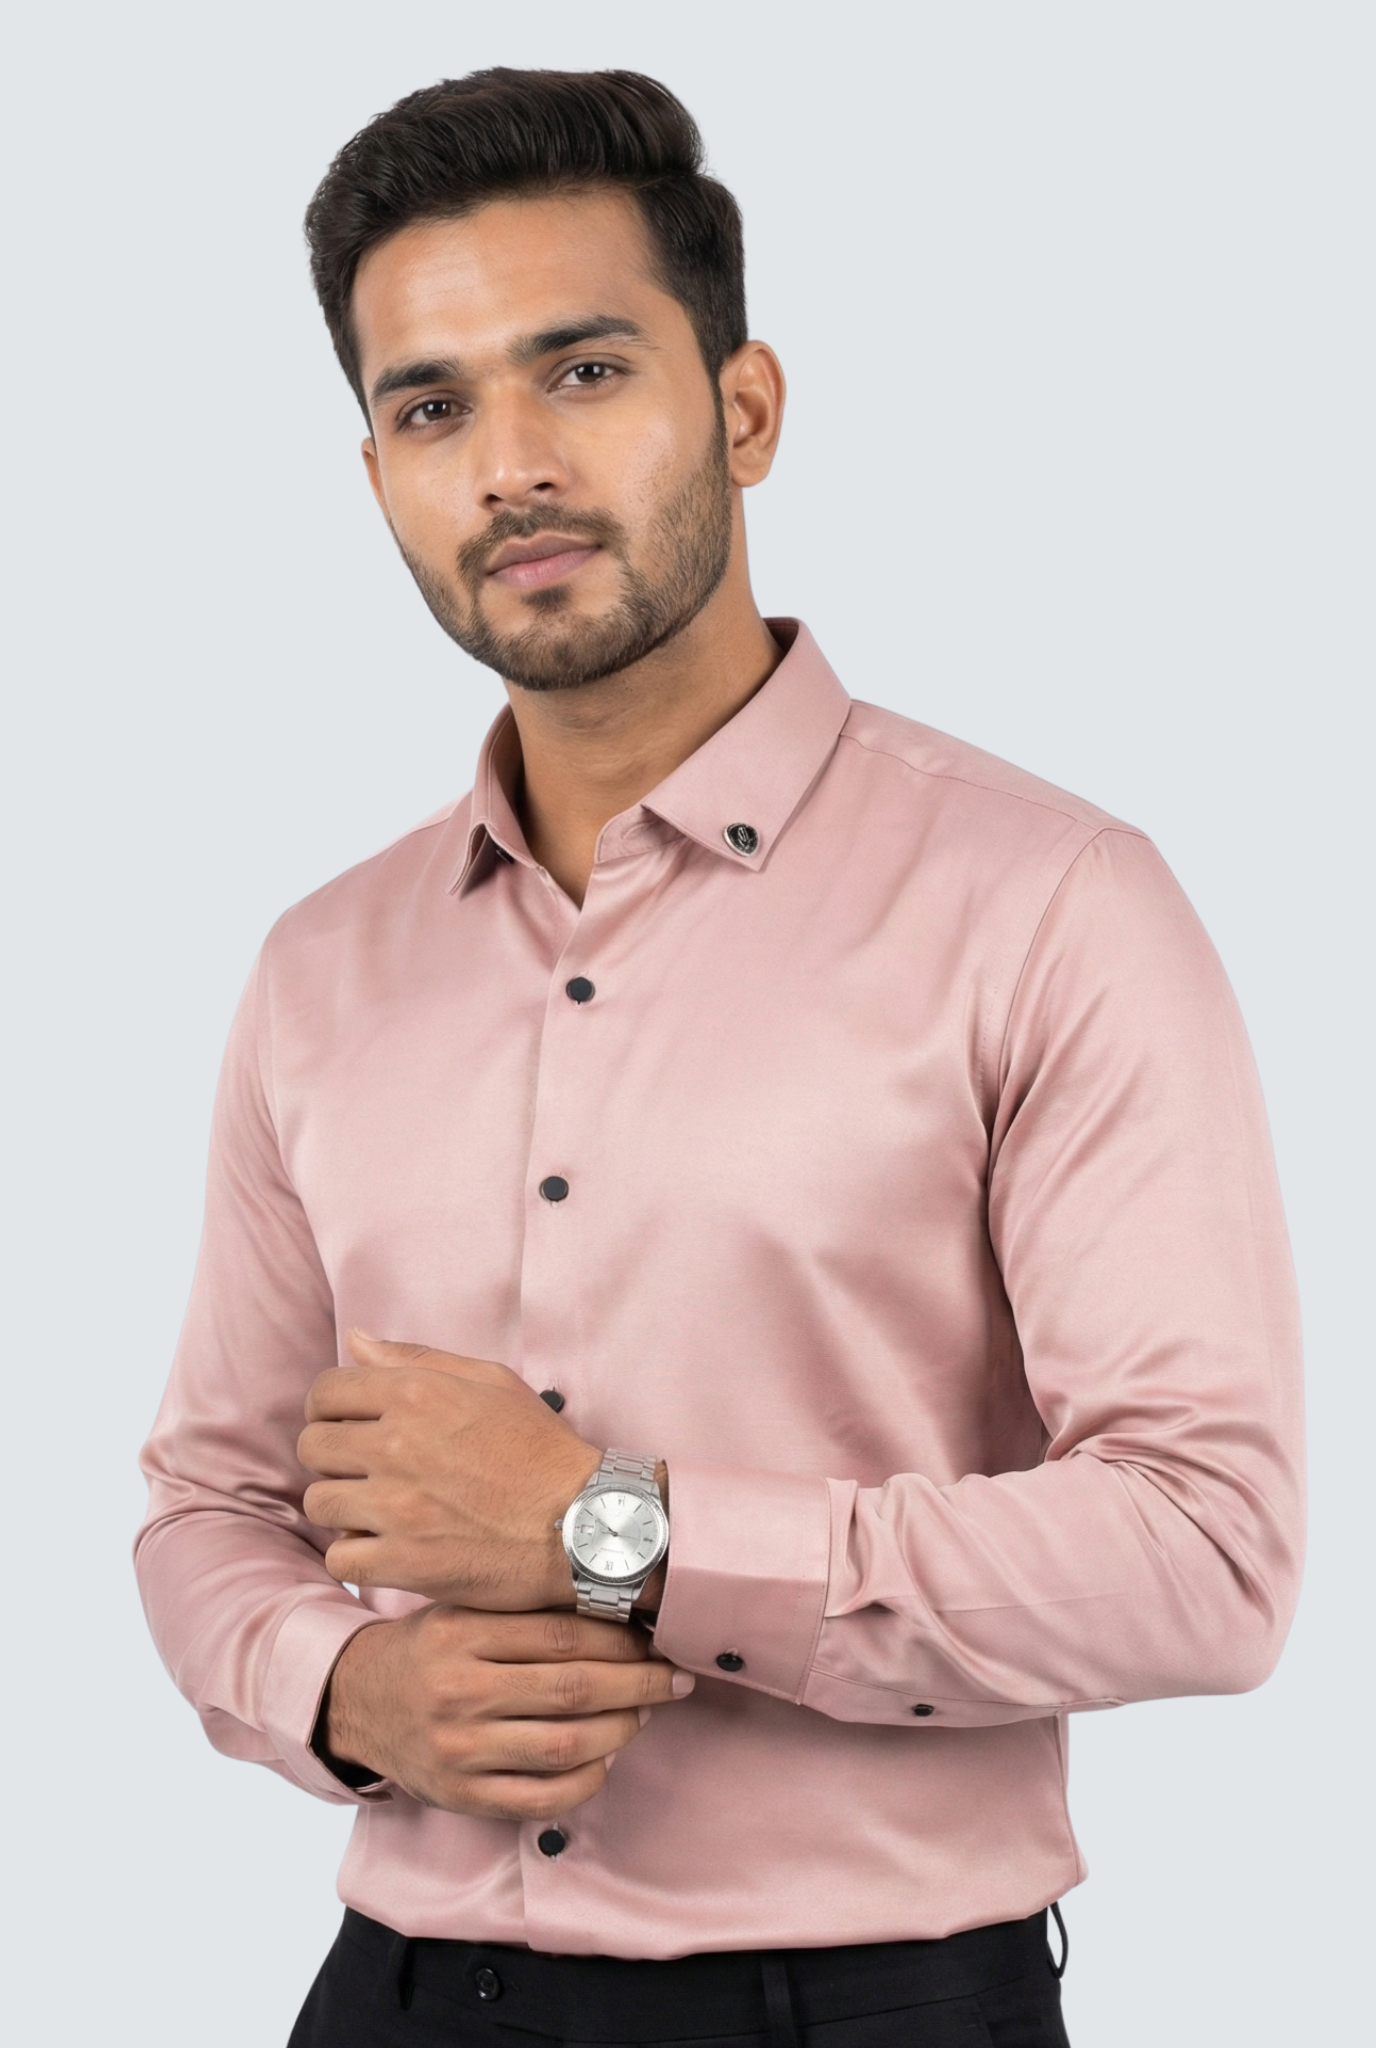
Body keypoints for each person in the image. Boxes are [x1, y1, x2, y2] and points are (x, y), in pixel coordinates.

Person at [136, 68, 1304, 2048]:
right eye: (432, 406)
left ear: (743, 409)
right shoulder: (320, 966)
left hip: (863, 2011)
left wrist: (620, 1530)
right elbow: (204, 1507)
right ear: (376, 477)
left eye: (578, 372)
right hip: (396, 1996)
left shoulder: (1049, 904)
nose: (506, 462)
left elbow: (1209, 1551)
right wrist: (342, 1695)